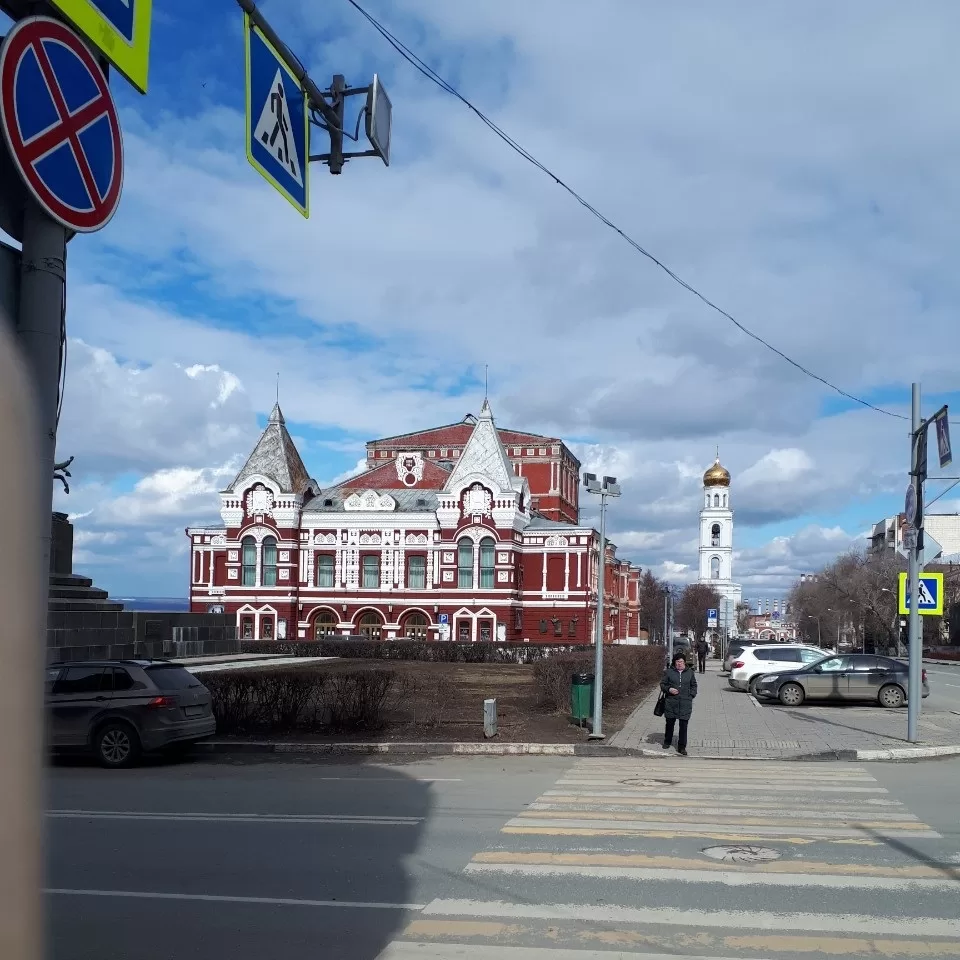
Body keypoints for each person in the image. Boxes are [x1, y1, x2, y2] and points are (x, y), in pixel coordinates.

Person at [661, 651, 698, 755]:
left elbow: (694, 685)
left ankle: (682, 746)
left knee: (683, 726)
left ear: (684, 662)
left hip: (685, 703)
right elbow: (663, 684)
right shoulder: (669, 672)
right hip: (671, 702)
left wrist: (691, 695)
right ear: (674, 662)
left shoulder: (690, 672)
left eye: (681, 662)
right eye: (677, 662)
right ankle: (667, 741)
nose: (679, 664)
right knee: (669, 723)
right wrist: (669, 689)